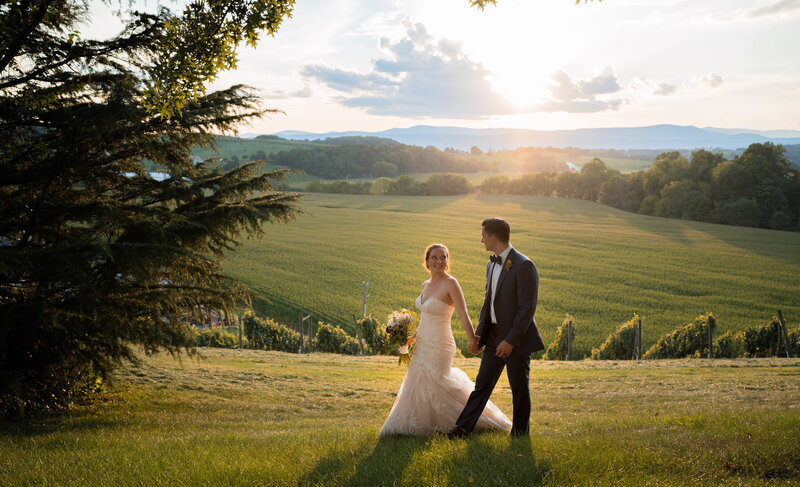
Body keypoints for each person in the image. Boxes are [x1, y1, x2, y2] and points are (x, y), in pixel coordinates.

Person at [379, 243, 512, 436]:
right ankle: (418, 424)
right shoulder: (425, 285)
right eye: (434, 257)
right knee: (418, 381)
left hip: (441, 344)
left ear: (447, 261)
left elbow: (463, 314)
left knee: (439, 381)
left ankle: (473, 420)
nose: (439, 261)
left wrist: (473, 340)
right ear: (427, 261)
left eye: (443, 257)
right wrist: (412, 338)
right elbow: (426, 316)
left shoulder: (451, 283)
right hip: (423, 343)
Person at [450, 218, 544, 438]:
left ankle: (520, 435)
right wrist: (480, 336)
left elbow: (526, 309)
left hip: (516, 340)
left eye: (483, 235)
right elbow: (488, 301)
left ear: (493, 237)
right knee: (481, 387)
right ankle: (462, 429)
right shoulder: (491, 263)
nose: (481, 239)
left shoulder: (524, 265)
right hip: (492, 338)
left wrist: (510, 340)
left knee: (519, 390)